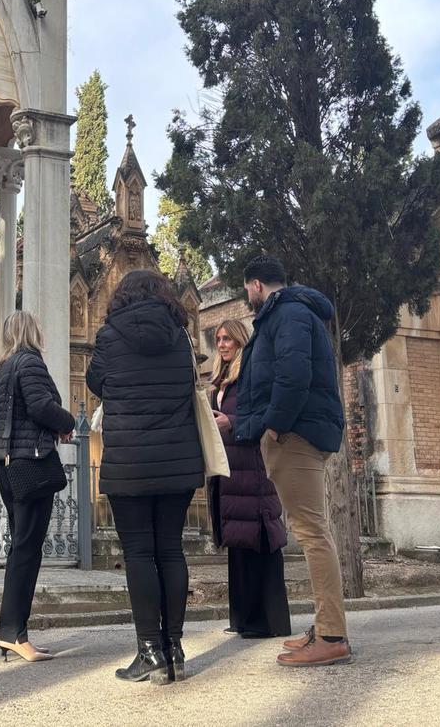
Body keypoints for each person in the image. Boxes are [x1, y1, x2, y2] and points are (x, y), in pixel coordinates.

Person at [86, 269, 205, 684]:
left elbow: (94, 380)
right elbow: (191, 384)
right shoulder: (181, 337)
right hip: (177, 460)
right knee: (170, 550)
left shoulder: (109, 335)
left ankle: (149, 651)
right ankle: (175, 648)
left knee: (138, 554)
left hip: (130, 464)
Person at [234, 255, 351, 666]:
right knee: (312, 529)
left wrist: (275, 426)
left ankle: (333, 635)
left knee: (312, 531)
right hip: (296, 430)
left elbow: (292, 376)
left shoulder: (288, 314)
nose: (247, 296)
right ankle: (324, 627)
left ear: (256, 285)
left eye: (245, 289)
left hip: (295, 434)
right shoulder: (291, 313)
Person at [0, 310, 76, 663]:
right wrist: (65, 422)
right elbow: (41, 406)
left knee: (19, 546)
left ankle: (10, 631)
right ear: (31, 332)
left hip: (6, 464)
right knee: (27, 549)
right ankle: (13, 633)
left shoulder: (3, 368)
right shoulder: (30, 362)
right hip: (31, 463)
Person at [208, 318, 292, 639]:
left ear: (241, 340)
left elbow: (264, 413)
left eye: (227, 338)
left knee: (259, 540)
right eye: (218, 338)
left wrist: (232, 420)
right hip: (228, 469)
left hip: (251, 466)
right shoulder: (221, 380)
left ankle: (268, 621)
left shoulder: (252, 375)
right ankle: (243, 618)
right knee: (238, 542)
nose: (222, 344)